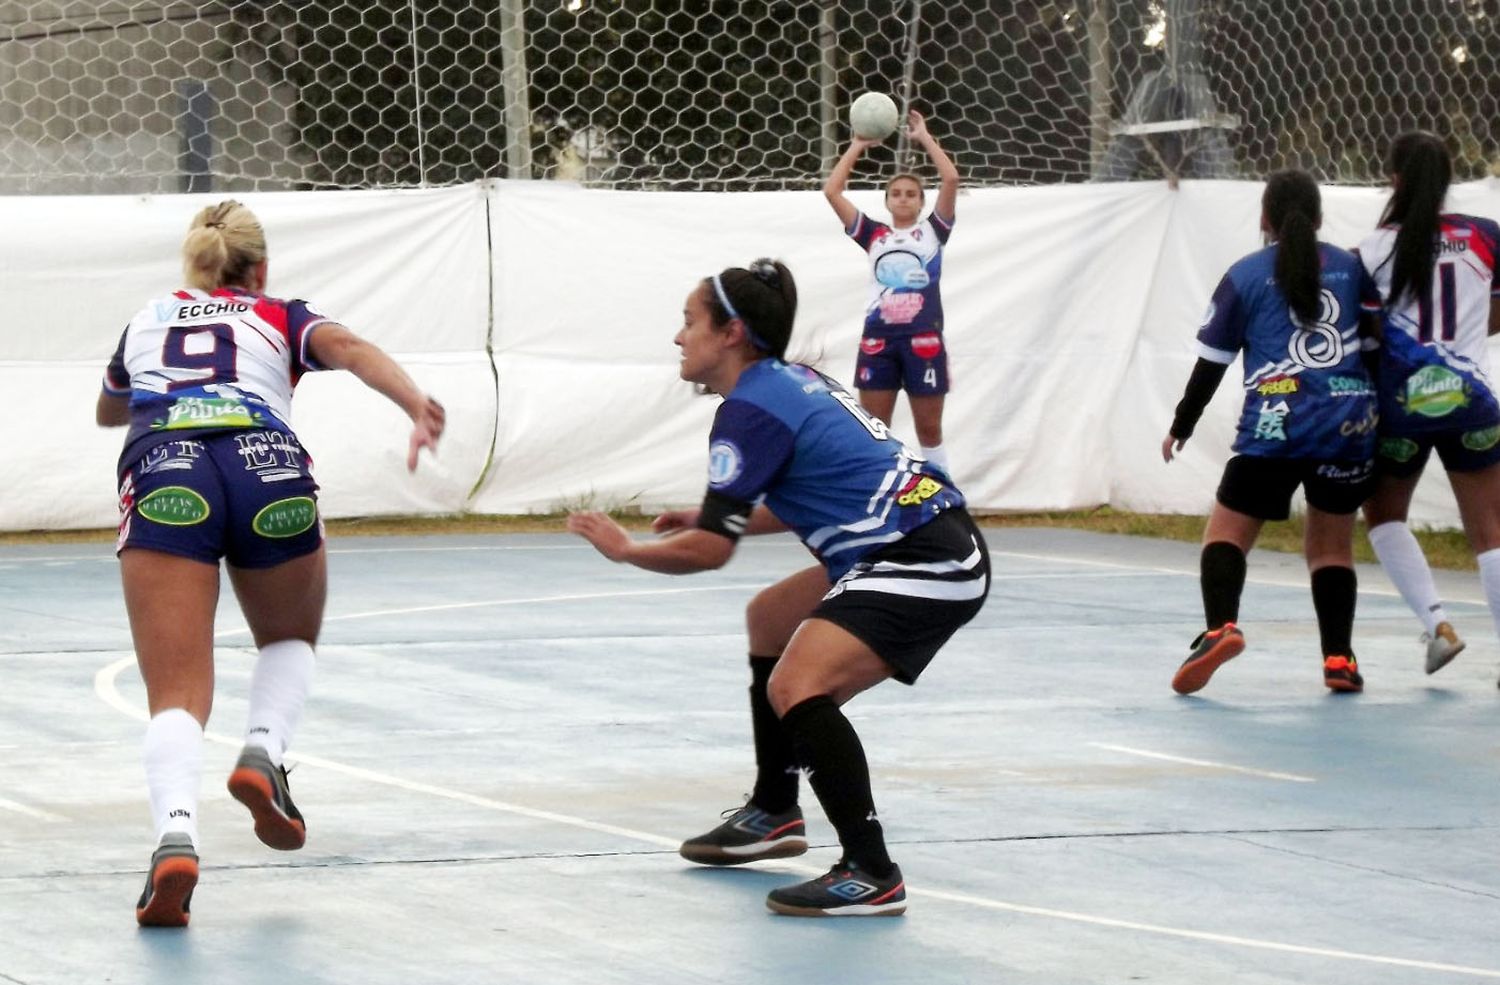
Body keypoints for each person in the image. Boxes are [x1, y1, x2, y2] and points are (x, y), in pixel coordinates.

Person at [568, 258, 989, 917]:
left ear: (731, 333)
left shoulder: (749, 410)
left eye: (688, 322)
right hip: (920, 536)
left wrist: (629, 551)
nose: (679, 338)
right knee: (770, 617)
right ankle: (774, 809)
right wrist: (714, 514)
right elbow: (816, 494)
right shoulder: (789, 383)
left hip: (922, 554)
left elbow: (711, 551)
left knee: (797, 684)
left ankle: (871, 869)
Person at [96, 199, 445, 927]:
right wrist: (415, 402)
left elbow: (110, 409)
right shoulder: (281, 315)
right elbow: (349, 350)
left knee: (177, 690)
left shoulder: (147, 319)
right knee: (288, 635)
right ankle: (263, 751)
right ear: (259, 268)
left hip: (169, 470)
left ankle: (176, 837)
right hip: (267, 466)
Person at [1162, 169, 1382, 695]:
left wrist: (1182, 425)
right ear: (1320, 217)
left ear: (1264, 218)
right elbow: (1378, 350)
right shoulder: (1353, 270)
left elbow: (1211, 363)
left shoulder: (1245, 275)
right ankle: (1338, 660)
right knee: (1331, 550)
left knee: (1226, 536)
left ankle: (1221, 628)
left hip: (1275, 423)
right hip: (1346, 422)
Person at [1355, 131, 1500, 681]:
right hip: (1471, 402)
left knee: (1384, 517)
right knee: (1490, 531)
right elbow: (1495, 315)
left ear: (1394, 179)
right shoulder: (1486, 236)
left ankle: (1437, 625)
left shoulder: (1372, 250)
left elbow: (1368, 331)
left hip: (1402, 407)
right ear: (1448, 180)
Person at [823, 109, 959, 473]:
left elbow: (950, 178)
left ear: (921, 202)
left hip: (923, 339)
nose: (903, 199)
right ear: (886, 201)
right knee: (874, 431)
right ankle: (875, 490)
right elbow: (831, 191)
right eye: (896, 193)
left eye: (911, 194)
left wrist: (925, 137)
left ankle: (944, 495)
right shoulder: (874, 235)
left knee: (929, 429)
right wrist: (856, 146)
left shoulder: (932, 233)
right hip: (879, 342)